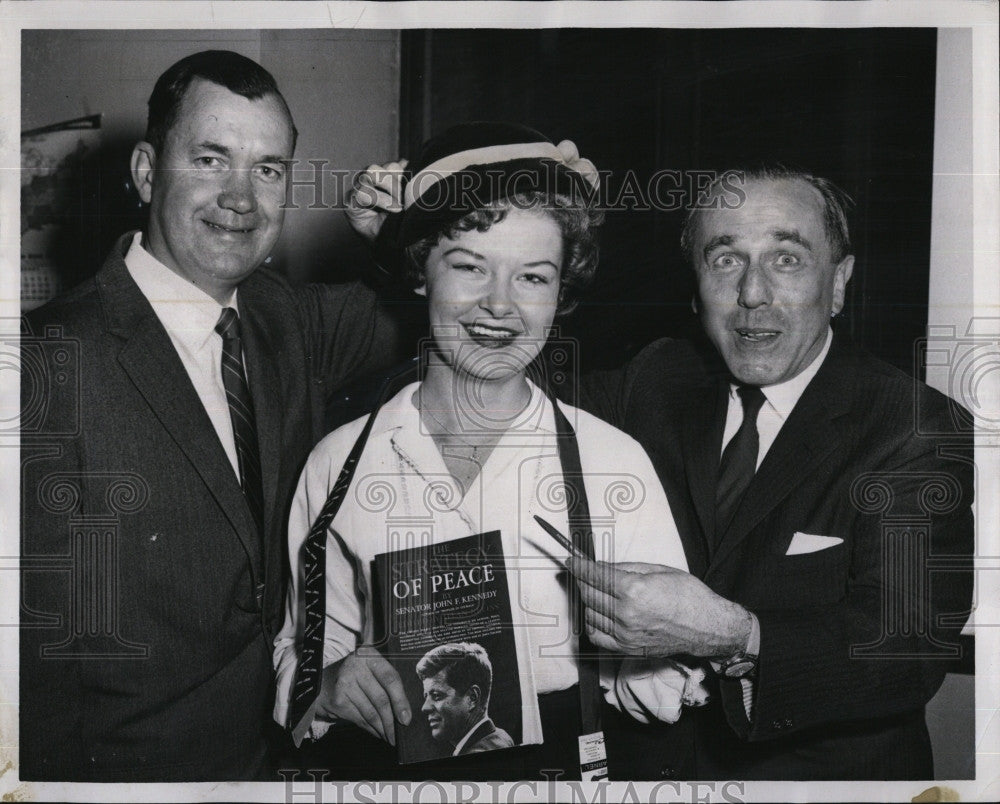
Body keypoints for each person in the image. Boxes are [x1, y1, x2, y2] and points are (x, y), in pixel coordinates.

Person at [273, 122, 700, 781]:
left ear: (561, 294)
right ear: (419, 274)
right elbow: (305, 642)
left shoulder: (612, 463)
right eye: (469, 267)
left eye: (533, 277)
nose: (499, 306)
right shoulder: (338, 462)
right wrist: (324, 686)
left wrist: (666, 655)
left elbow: (664, 684)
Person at [20, 50, 399, 781]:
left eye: (268, 169)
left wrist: (405, 233)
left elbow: (445, 321)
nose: (241, 200)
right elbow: (32, 680)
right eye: (210, 159)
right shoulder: (44, 363)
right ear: (143, 172)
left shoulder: (285, 319)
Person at [568, 166, 975, 780]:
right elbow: (487, 385)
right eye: (725, 260)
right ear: (695, 284)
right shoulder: (657, 378)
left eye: (786, 259)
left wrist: (733, 634)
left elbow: (906, 648)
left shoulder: (911, 425)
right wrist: (409, 248)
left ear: (838, 284)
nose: (752, 294)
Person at [415, 643, 515, 756]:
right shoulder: (499, 736)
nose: (425, 707)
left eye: (437, 695)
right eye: (426, 696)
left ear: (472, 698)